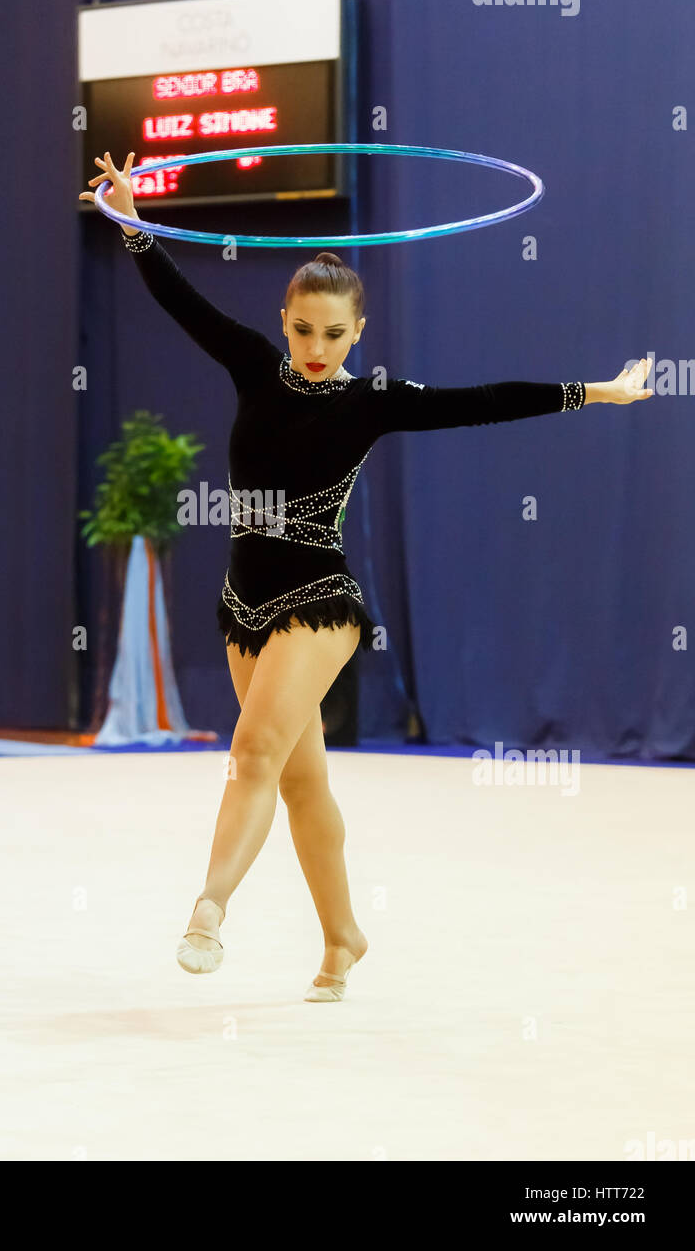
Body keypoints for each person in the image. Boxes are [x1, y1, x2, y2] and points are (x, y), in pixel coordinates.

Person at [80, 150, 654, 1002]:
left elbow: (481, 398)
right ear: (284, 321)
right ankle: (343, 937)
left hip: (320, 600)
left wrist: (594, 394)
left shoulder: (371, 399)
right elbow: (178, 298)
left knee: (252, 751)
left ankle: (208, 909)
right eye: (304, 329)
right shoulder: (248, 363)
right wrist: (131, 221)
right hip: (244, 601)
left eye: (335, 334)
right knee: (303, 781)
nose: (317, 347)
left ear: (360, 334)